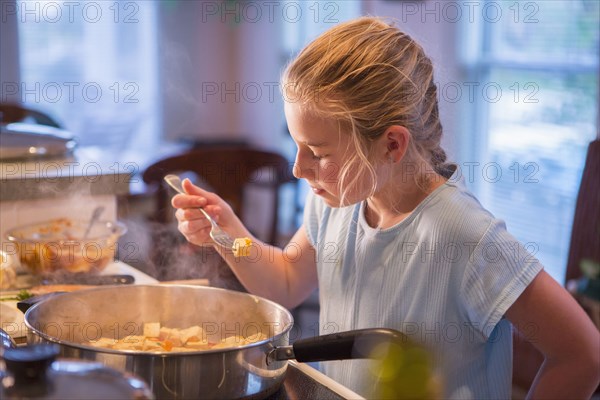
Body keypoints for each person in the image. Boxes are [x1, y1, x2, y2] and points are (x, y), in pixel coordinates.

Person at [172, 16, 600, 399]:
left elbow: (582, 355)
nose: (299, 168)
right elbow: (285, 280)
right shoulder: (337, 201)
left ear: (392, 144)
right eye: (296, 146)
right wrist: (230, 236)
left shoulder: (465, 236)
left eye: (318, 153)